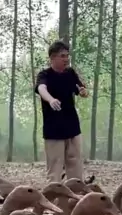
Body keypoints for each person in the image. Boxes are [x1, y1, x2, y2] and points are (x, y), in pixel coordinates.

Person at [35, 40, 89, 182]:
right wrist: (51, 99)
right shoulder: (44, 75)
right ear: (52, 57)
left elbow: (81, 89)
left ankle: (76, 193)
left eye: (67, 56)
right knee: (55, 168)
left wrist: (83, 92)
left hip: (72, 127)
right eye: (62, 56)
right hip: (53, 130)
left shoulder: (70, 73)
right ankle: (53, 194)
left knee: (75, 163)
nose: (66, 59)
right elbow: (41, 88)